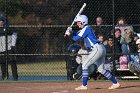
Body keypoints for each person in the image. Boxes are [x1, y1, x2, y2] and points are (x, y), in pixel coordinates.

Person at [65, 15, 120, 90]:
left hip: (97, 48)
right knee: (101, 69)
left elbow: (75, 38)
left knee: (84, 65)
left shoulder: (86, 29)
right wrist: (70, 31)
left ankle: (84, 85)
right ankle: (115, 83)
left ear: (83, 22)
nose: (77, 24)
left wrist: (70, 33)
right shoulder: (85, 29)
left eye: (78, 22)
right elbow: (77, 34)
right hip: (100, 48)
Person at [0, 16, 18, 80]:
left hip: (9, 48)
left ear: (3, 21)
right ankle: (5, 77)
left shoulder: (8, 28)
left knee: (12, 62)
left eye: (0, 20)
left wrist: (12, 45)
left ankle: (15, 77)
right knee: (2, 63)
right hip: (1, 49)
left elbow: (14, 35)